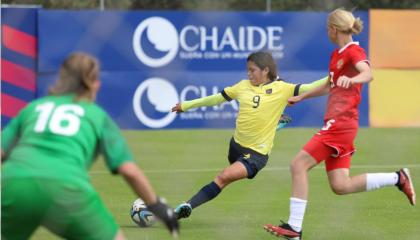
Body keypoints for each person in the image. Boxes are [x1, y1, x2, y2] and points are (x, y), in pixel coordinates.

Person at [263, 9, 416, 239]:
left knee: (298, 165)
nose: (327, 31)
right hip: (341, 125)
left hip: (341, 124)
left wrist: (352, 79)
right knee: (340, 185)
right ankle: (398, 178)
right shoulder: (336, 55)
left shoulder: (354, 51)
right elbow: (328, 85)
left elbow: (368, 73)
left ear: (334, 29)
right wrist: (302, 96)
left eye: (328, 28)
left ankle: (295, 228)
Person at [1, 52, 179, 240]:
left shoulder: (33, 108)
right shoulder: (97, 115)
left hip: (15, 184)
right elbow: (129, 170)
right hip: (66, 187)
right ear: (92, 83)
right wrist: (156, 205)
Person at [171, 51, 328, 220]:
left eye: (252, 70)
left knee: (223, 177)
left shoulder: (283, 89)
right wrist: (187, 105)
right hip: (236, 146)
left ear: (265, 70)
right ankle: (274, 125)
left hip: (256, 155)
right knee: (227, 173)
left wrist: (335, 75)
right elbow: (217, 99)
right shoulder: (242, 86)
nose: (248, 73)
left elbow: (311, 87)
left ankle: (187, 206)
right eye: (248, 69)